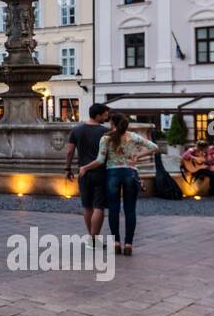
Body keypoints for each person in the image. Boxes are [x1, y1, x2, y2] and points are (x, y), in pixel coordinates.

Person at [79, 112, 158, 256]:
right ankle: (128, 244)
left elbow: (100, 161)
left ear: (112, 124)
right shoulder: (133, 137)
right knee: (130, 210)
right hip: (130, 173)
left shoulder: (106, 138)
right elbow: (154, 147)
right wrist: (137, 156)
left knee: (114, 210)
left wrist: (85, 167)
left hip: (112, 175)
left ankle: (116, 243)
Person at [65, 103, 111, 243]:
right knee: (99, 206)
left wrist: (68, 169)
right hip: (100, 172)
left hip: (83, 172)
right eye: (105, 114)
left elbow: (69, 151)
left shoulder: (76, 130)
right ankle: (93, 238)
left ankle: (91, 238)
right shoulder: (105, 132)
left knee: (87, 206)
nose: (107, 116)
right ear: (98, 115)